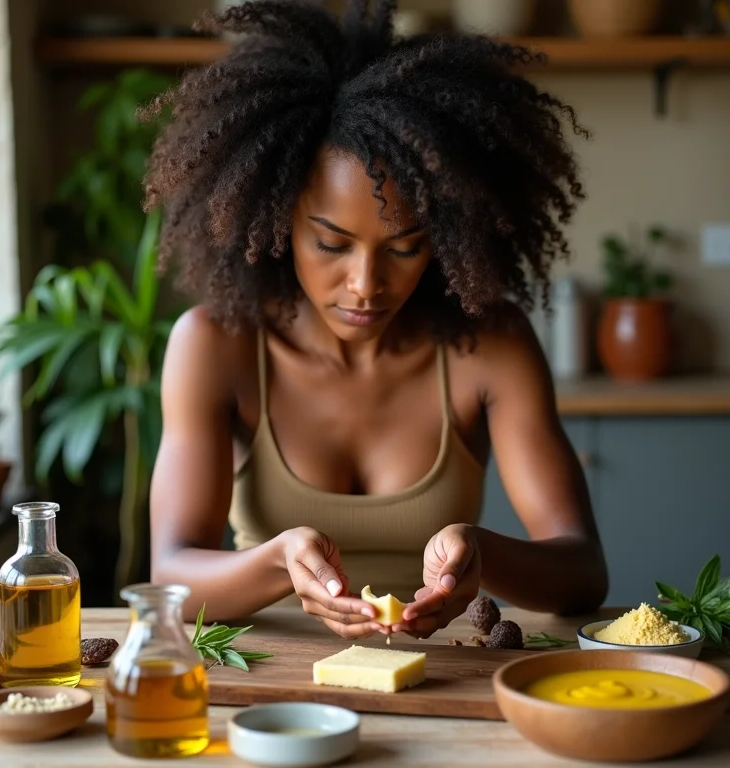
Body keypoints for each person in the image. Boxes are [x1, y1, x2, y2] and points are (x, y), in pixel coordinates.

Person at [142, 0, 608, 640]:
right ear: (278, 223)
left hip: (443, 678)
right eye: (331, 245)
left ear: (445, 237)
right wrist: (278, 562)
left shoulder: (489, 346)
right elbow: (168, 573)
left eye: (404, 247)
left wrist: (485, 555)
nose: (365, 285)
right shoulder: (214, 346)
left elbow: (583, 572)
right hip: (275, 681)